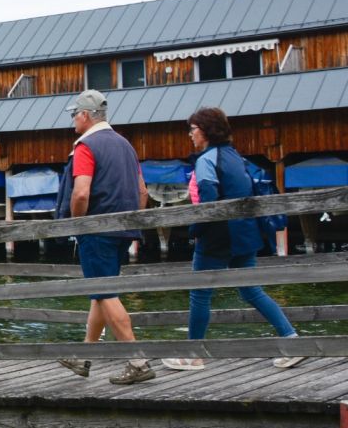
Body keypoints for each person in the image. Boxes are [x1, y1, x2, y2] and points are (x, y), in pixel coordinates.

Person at [163, 107, 304, 371]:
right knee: (251, 290)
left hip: (218, 236)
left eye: (192, 129)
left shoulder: (207, 160)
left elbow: (209, 201)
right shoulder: (234, 156)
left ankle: (194, 354)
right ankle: (292, 340)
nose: (190, 134)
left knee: (200, 293)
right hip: (245, 233)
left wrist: (196, 230)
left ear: (205, 130)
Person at [54, 89, 154, 385]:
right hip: (124, 229)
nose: (73, 119)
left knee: (106, 293)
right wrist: (130, 222)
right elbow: (143, 192)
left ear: (86, 115)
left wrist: (78, 224)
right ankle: (84, 356)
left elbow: (81, 193)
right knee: (100, 292)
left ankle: (138, 361)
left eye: (75, 114)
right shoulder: (126, 145)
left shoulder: (86, 146)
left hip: (97, 231)